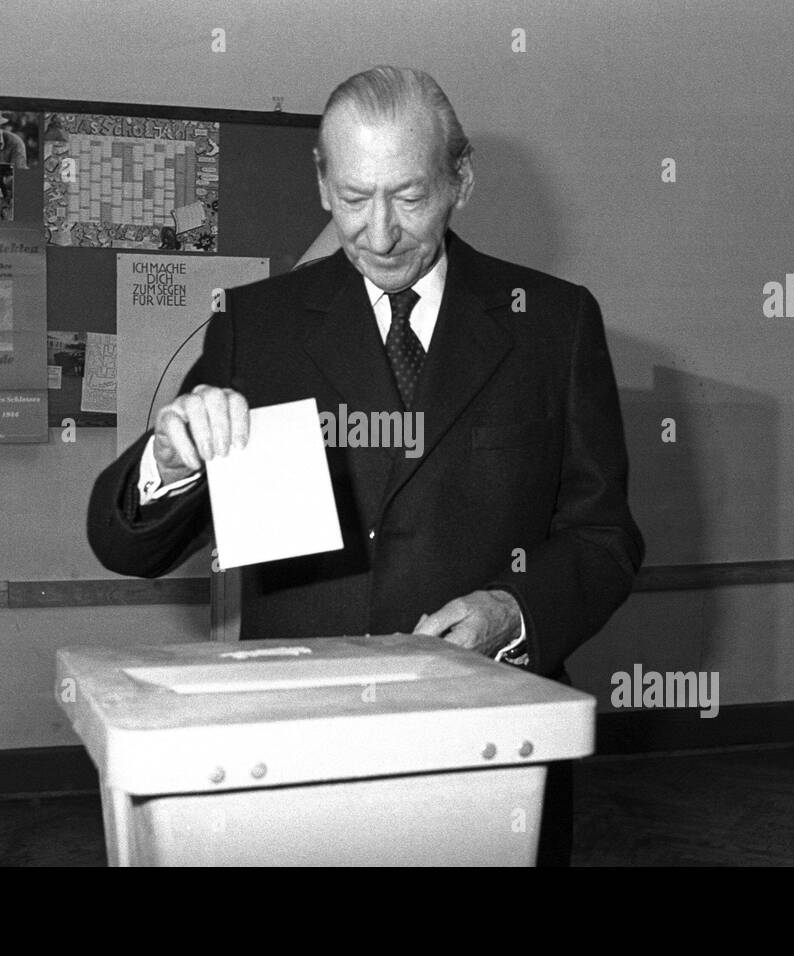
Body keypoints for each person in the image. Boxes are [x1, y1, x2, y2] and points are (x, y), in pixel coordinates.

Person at [86, 66, 644, 866]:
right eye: (353, 198)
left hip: (490, 744)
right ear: (320, 182)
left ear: (463, 180)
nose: (379, 234)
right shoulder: (258, 328)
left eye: (409, 197)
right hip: (294, 753)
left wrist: (511, 613)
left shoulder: (554, 324)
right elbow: (126, 546)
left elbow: (605, 538)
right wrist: (170, 460)